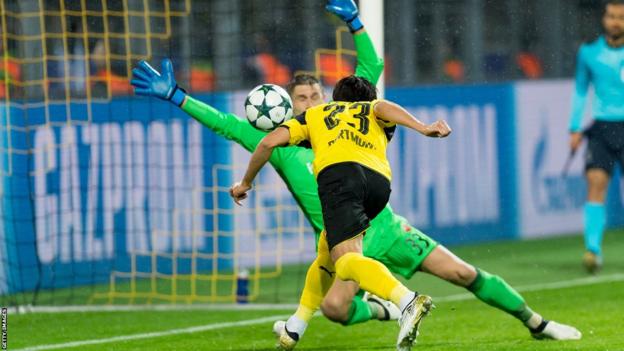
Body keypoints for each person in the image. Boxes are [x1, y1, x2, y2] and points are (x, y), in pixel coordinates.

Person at [131, 0, 581, 347]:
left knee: (463, 274)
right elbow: (227, 125)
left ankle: (536, 322)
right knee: (336, 310)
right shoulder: (285, 144)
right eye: (301, 98)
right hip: (342, 236)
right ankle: (389, 308)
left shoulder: (342, 117)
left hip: (383, 226)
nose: (309, 102)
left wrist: (356, 23)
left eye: (313, 95)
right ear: (289, 105)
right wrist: (178, 97)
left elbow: (372, 71)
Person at [231, 75, 451, 350]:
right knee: (326, 247)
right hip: (379, 188)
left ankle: (407, 300)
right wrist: (423, 127)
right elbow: (382, 107)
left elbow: (266, 144)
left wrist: (245, 183)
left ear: (334, 98)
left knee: (345, 262)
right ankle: (294, 327)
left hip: (340, 180)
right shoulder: (370, 109)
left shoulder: (316, 114)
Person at [569, 0, 624, 274]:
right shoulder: (589, 53)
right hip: (602, 128)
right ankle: (593, 250)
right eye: (612, 16)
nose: (616, 22)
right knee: (596, 182)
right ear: (604, 19)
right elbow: (581, 90)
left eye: (621, 17)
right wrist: (574, 127)